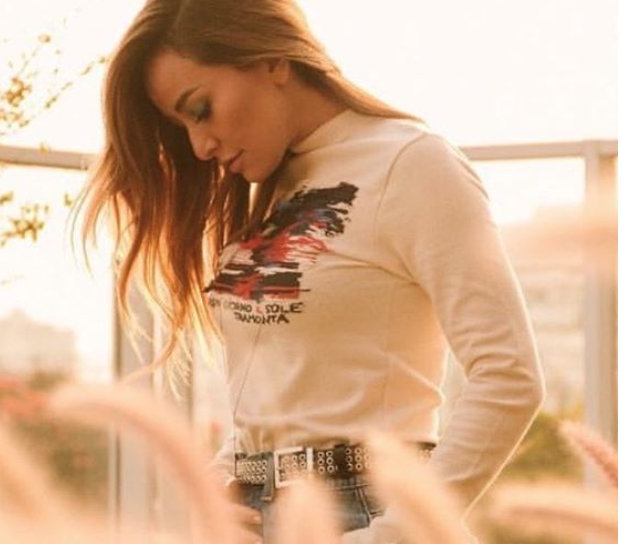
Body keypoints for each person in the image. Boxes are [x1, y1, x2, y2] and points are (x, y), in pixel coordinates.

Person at [76, 1, 546, 542]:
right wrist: (222, 481)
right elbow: (284, 397)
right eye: (182, 126)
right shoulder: (266, 187)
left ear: (272, 61)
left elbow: (509, 376)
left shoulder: (412, 163)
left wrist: (393, 536)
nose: (199, 146)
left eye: (201, 109)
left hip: (372, 512)